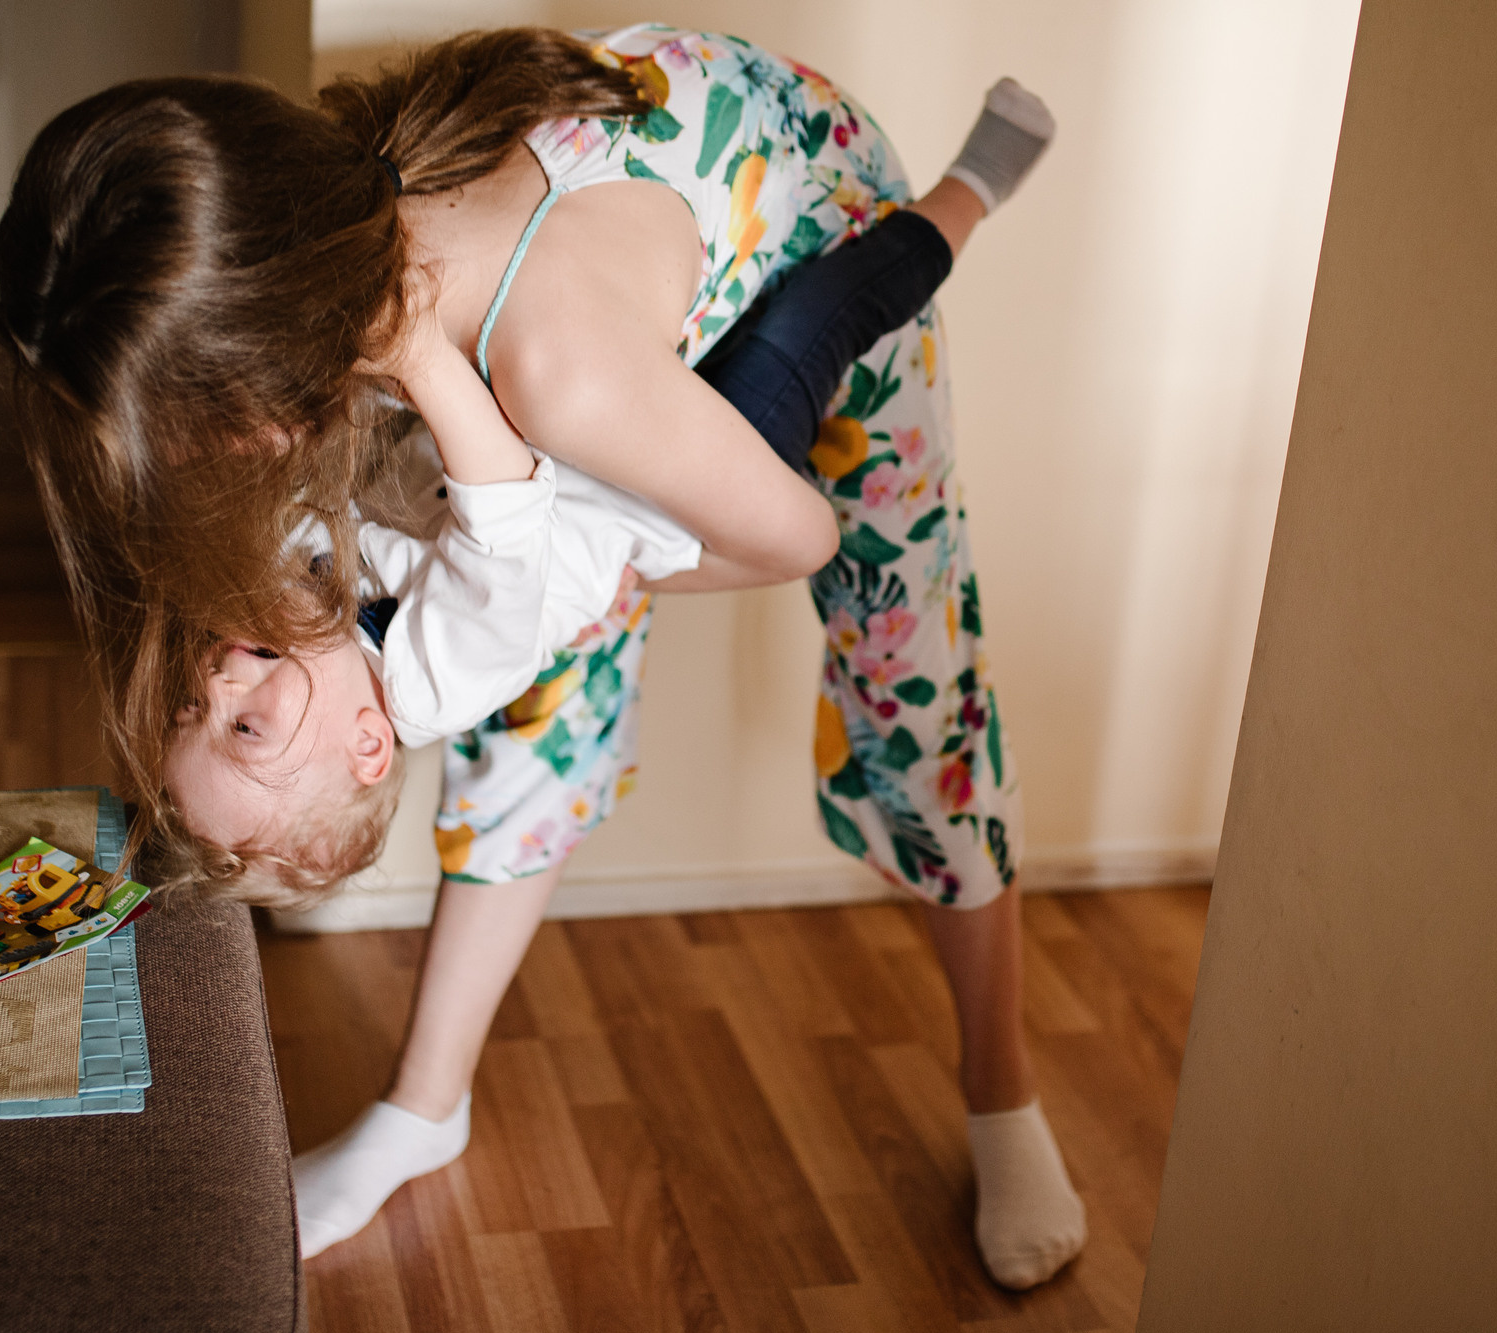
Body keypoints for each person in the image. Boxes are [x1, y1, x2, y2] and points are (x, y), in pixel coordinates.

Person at [0, 26, 1082, 1288]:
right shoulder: (327, 248)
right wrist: (587, 566)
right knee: (534, 677)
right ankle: (425, 1108)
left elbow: (802, 533)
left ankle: (1004, 1090)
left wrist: (636, 559)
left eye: (199, 438)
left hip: (811, 219)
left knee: (914, 674)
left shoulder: (555, 378)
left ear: (279, 384)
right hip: (563, 427)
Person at [163, 199, 966, 890]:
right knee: (819, 314)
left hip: (614, 430)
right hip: (673, 495)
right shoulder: (441, 681)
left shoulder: (310, 617)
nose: (224, 677)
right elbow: (502, 510)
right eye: (244, 728)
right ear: (368, 744)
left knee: (744, 284)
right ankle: (960, 202)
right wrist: (417, 355)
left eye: (195, 707)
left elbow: (301, 496)